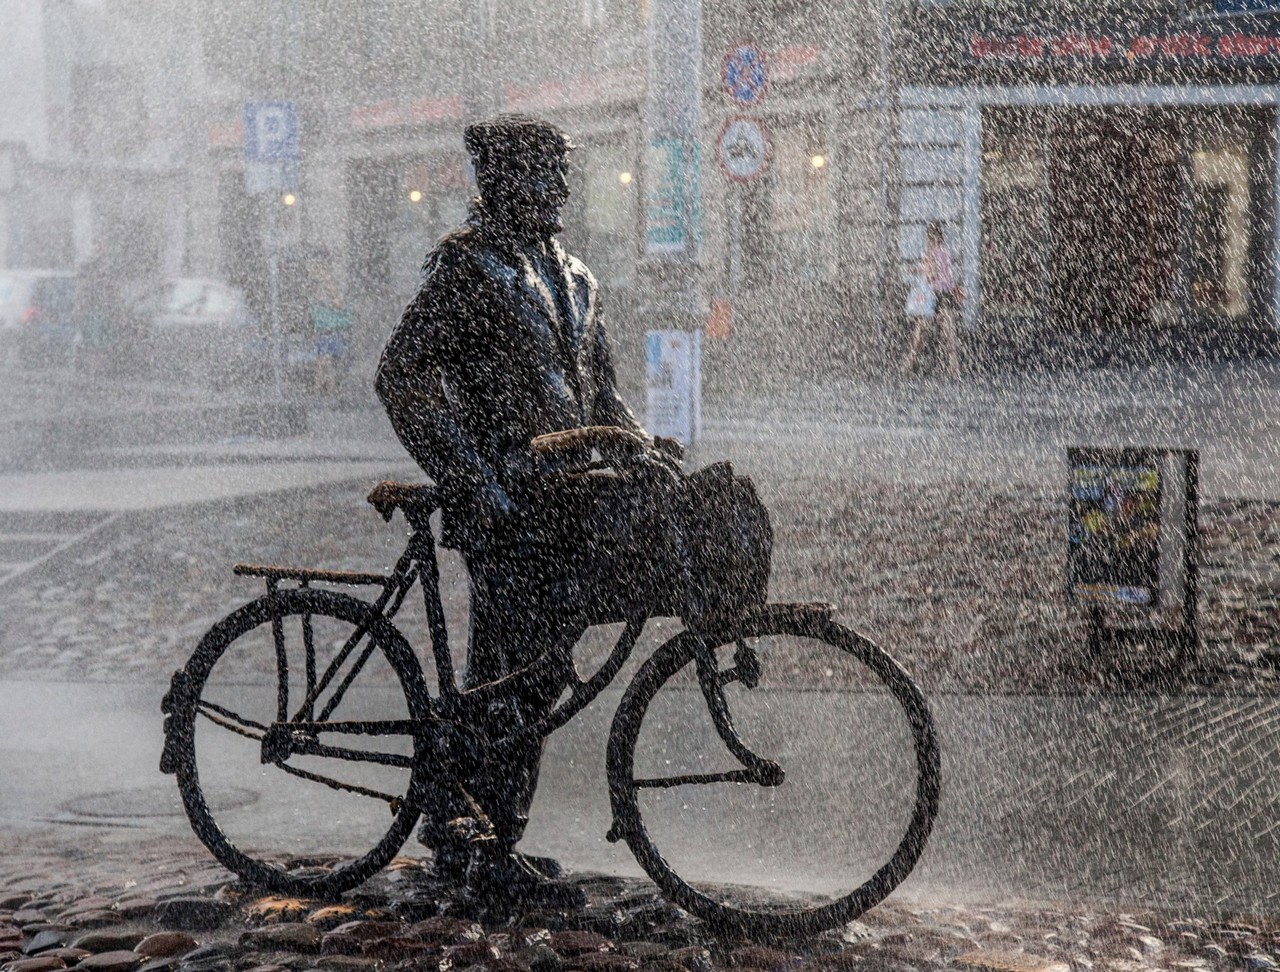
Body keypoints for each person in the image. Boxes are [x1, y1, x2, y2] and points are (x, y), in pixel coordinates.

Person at [374, 114, 681, 906]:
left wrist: (640, 446)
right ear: (503, 181)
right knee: (507, 674)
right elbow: (402, 375)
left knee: (538, 676)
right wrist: (473, 479)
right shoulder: (466, 271)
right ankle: (472, 843)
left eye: (563, 172)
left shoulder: (577, 277)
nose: (563, 187)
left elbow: (601, 392)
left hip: (570, 505)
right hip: (507, 505)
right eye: (546, 173)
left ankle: (494, 834)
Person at [900, 221, 962, 379]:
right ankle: (954, 367)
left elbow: (931, 274)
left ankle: (908, 365)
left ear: (930, 236)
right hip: (945, 295)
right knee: (949, 333)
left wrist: (916, 270)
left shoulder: (929, 252)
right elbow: (947, 275)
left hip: (932, 295)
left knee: (920, 334)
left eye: (928, 236)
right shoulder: (945, 252)